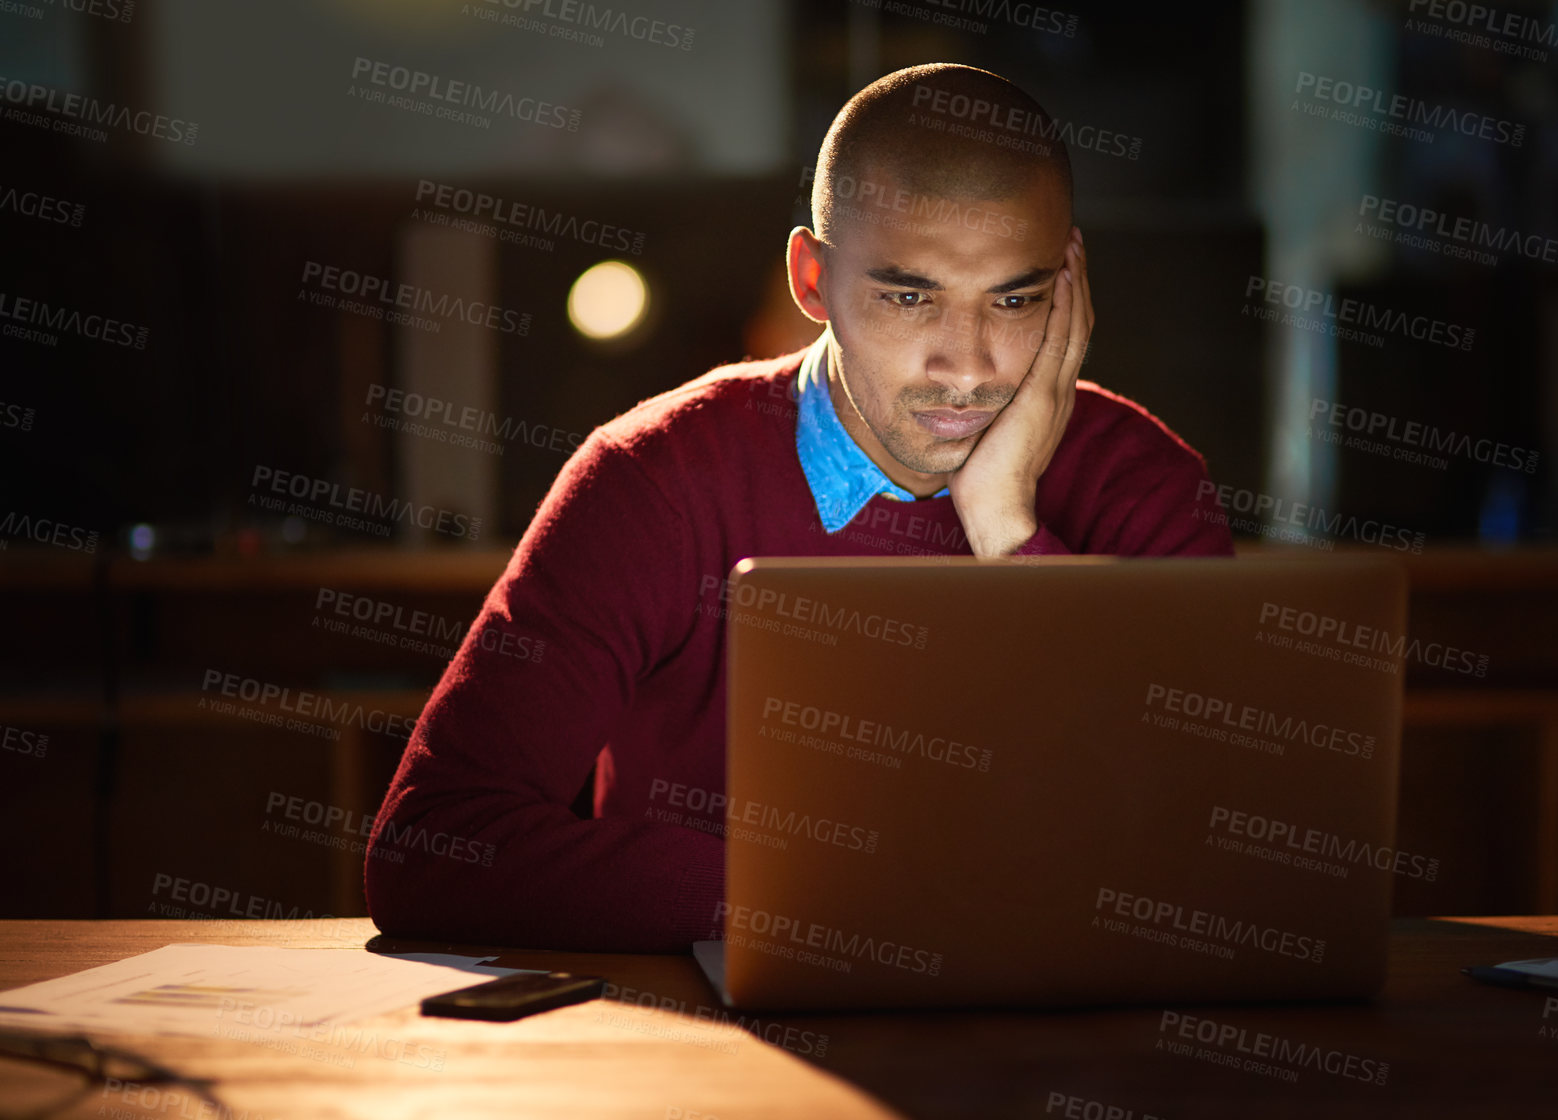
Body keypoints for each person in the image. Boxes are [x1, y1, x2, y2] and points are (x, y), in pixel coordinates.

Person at [365, 63, 1234, 951]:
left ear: (1070, 285)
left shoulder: (1143, 482)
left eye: (1015, 299)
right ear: (812, 281)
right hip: (725, 1061)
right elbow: (432, 846)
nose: (968, 368)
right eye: (908, 296)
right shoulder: (650, 481)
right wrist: (843, 906)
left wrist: (1009, 529)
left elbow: (1213, 863)